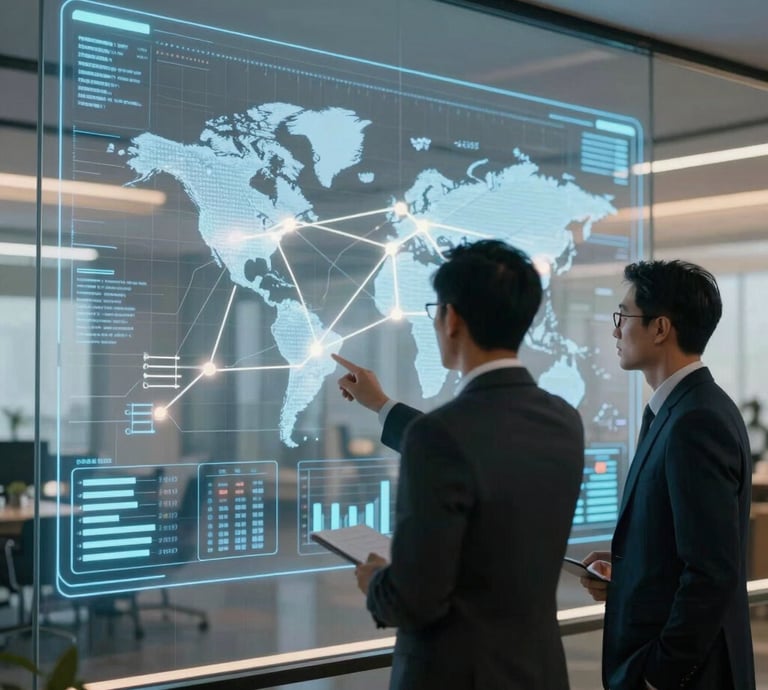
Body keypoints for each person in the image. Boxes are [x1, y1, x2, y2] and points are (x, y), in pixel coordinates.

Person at [333, 239, 585, 690]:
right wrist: (383, 406)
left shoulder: (442, 437)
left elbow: (415, 599)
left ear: (451, 319)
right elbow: (485, 445)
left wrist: (375, 582)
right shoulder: (562, 420)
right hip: (537, 671)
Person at [580, 260, 755, 690]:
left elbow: (711, 571)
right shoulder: (683, 410)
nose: (616, 330)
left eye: (623, 316)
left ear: (660, 328)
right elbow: (682, 546)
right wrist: (629, 571)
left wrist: (660, 674)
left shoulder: (696, 420)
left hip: (688, 676)